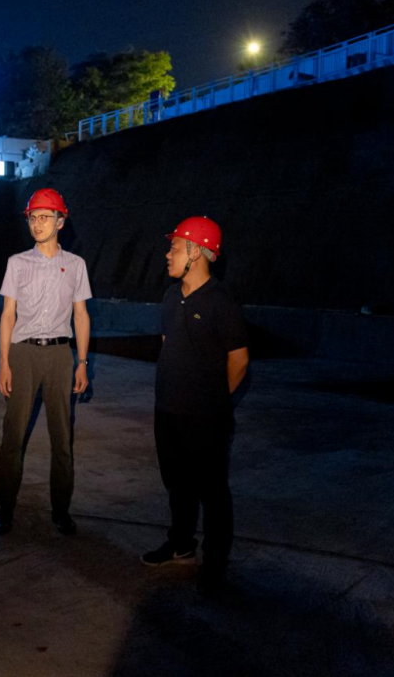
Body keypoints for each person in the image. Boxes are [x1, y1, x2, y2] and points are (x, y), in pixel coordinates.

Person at [141, 215, 249, 594]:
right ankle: (181, 544)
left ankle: (215, 563)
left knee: (212, 490)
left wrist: (214, 400)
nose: (167, 254)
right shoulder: (171, 297)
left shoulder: (221, 303)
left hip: (206, 417)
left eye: (174, 247)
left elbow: (239, 361)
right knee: (177, 484)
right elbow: (169, 344)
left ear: (196, 252)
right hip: (167, 410)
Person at [0, 188, 91, 536]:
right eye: (33, 218)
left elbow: (81, 315)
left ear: (60, 222)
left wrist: (82, 362)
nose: (37, 224)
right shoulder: (18, 263)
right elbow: (8, 315)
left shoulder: (76, 265)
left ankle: (61, 510)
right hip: (23, 353)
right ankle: (5, 508)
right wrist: (4, 363)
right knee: (13, 435)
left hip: (60, 356)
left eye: (45, 217)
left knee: (62, 436)